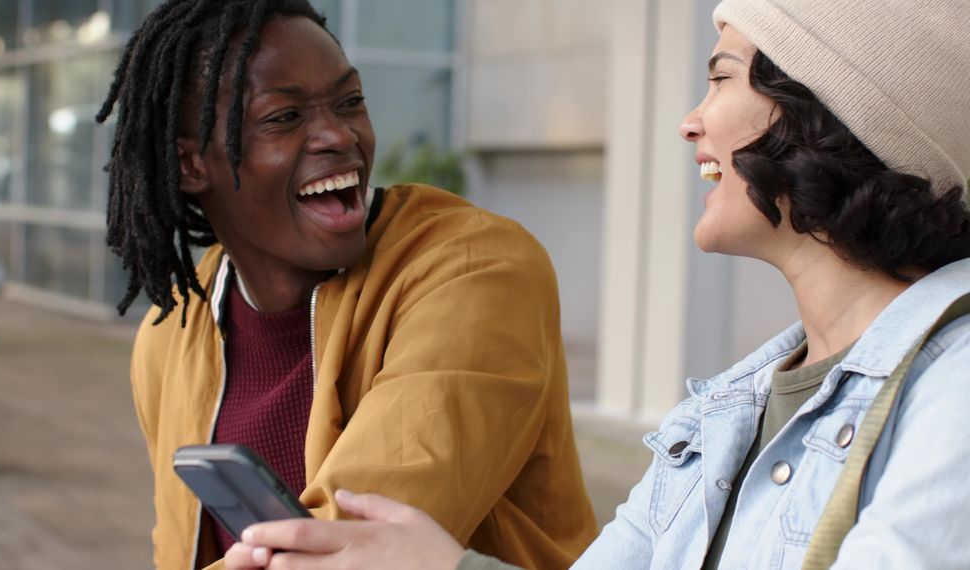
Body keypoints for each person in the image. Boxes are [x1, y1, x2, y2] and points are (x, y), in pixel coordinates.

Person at [224, 0, 970, 568]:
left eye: (720, 78)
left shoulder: (955, 389)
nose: (690, 123)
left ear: (834, 116)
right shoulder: (726, 411)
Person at [96, 1, 598, 569]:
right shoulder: (173, 334)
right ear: (190, 165)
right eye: (284, 118)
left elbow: (353, 548)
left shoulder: (477, 271)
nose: (338, 135)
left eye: (350, 102)